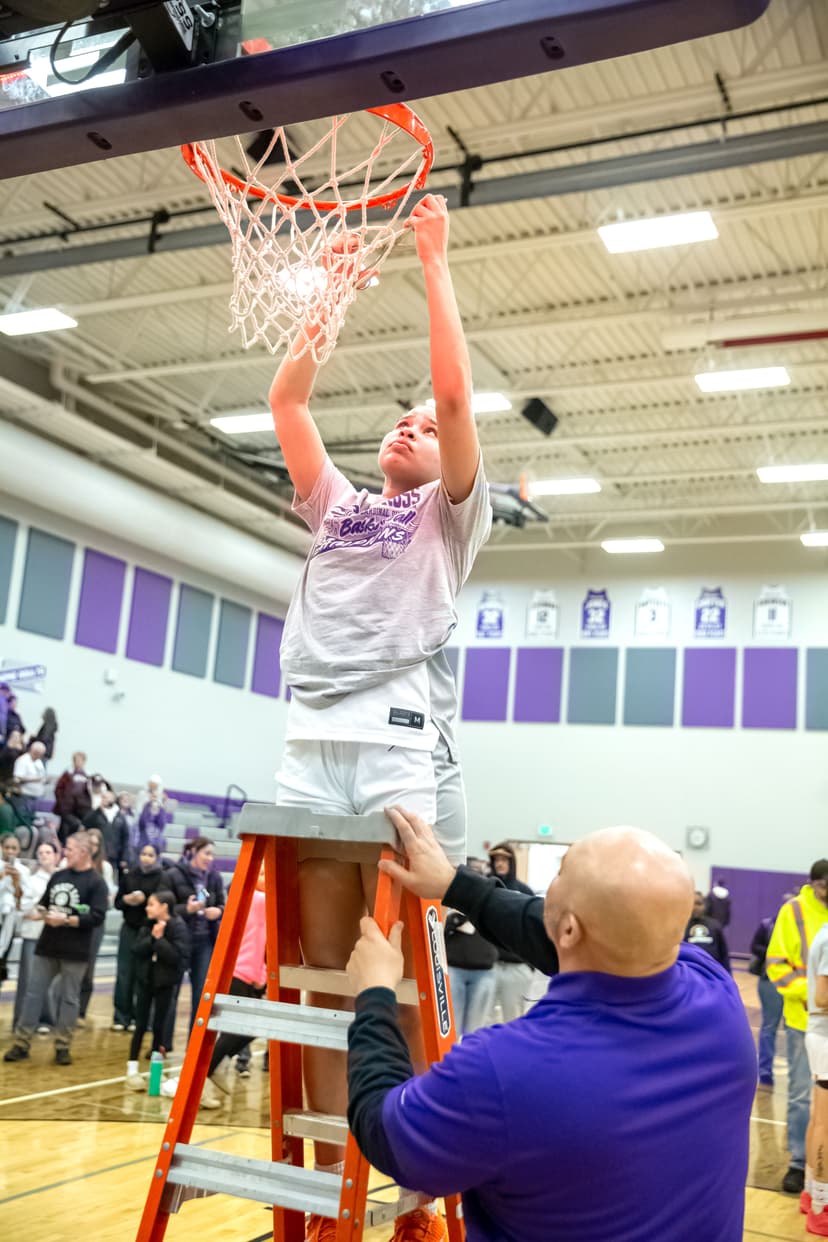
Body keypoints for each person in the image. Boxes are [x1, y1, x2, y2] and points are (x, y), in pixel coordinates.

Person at [270, 195, 491, 1239]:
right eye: (393, 422)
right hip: (311, 740)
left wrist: (432, 262)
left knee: (389, 967)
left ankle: (417, 1150)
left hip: (400, 743)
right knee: (316, 972)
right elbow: (288, 402)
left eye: (422, 425)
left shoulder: (448, 518)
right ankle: (324, 1150)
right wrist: (331, 293)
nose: (410, 425)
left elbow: (451, 394)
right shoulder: (340, 508)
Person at [344, 807, 757, 1242]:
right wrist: (456, 886)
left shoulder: (504, 1070)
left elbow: (385, 1133)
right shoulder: (719, 995)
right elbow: (571, 937)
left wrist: (374, 994)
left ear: (571, 930)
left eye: (560, 874)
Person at [3, 830, 108, 1065]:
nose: (65, 853)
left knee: (69, 999)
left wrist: (68, 920)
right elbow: (43, 904)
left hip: (76, 951)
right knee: (33, 994)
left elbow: (97, 917)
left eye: (69, 849)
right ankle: (22, 1043)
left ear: (83, 852)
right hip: (48, 946)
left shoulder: (96, 882)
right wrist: (40, 915)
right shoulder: (59, 876)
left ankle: (62, 1045)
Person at [767, 859, 828, 1196]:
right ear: (817, 884)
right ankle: (799, 1163)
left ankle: (822, 1167)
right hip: (804, 1021)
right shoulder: (795, 911)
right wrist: (808, 996)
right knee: (803, 1096)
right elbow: (776, 964)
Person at [199, 865, 267, 1109]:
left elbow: (264, 943)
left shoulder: (257, 902)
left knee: (253, 1027)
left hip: (251, 975)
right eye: (261, 874)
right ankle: (205, 1077)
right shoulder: (256, 899)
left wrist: (262, 976)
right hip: (238, 972)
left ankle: (218, 1066)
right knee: (234, 1030)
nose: (266, 879)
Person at [125, 889, 189, 1088]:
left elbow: (178, 958)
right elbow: (136, 949)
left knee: (160, 1028)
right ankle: (132, 1071)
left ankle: (155, 1075)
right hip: (145, 981)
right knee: (141, 1025)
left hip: (165, 983)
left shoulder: (178, 927)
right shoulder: (147, 923)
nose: (147, 908)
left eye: (151, 904)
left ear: (164, 907)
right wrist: (153, 939)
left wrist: (160, 941)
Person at [163, 836, 224, 1035]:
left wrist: (218, 911)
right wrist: (186, 909)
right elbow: (164, 909)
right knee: (171, 992)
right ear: (194, 852)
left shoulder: (215, 878)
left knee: (200, 995)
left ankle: (194, 1044)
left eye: (212, 854)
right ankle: (163, 1043)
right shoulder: (173, 875)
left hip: (204, 941)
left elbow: (223, 904)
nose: (210, 858)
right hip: (178, 940)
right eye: (207, 853)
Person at [113, 843, 164, 1031]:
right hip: (129, 927)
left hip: (148, 929)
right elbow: (118, 902)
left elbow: (163, 902)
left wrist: (146, 900)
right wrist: (126, 900)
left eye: (150, 854)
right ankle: (120, 1016)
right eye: (143, 853)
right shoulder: (129, 876)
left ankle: (139, 1017)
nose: (146, 858)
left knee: (142, 975)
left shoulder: (162, 877)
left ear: (157, 857)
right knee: (124, 973)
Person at [13, 839, 61, 1032]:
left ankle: (47, 1019)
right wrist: (43, 914)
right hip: (33, 935)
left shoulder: (61, 878)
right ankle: (24, 1020)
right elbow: (25, 909)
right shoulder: (31, 880)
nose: (43, 856)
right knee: (29, 979)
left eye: (48, 852)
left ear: (56, 855)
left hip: (56, 935)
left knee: (52, 980)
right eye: (40, 853)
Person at [486, 843, 535, 1020]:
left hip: (516, 967)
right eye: (496, 860)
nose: (500, 864)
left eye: (504, 860)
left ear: (511, 862)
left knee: (513, 1018)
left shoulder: (523, 892)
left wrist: (529, 965)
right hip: (487, 967)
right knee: (484, 1020)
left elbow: (533, 929)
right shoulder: (484, 890)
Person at [77, 826, 116, 1023]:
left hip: (95, 923)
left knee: (88, 966)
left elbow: (109, 897)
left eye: (95, 844)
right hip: (75, 921)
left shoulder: (105, 867)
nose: (92, 847)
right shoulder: (75, 864)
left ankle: (81, 1010)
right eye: (89, 843)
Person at [805, 921, 828, 1234]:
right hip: (825, 1038)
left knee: (818, 1119)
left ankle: (811, 1191)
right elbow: (823, 997)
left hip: (820, 1037)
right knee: (826, 1124)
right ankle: (822, 1207)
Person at [444, 903, 497, 1038]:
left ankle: (468, 1057)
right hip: (454, 968)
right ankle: (452, 1057)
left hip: (484, 971)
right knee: (451, 1026)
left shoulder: (493, 906)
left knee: (475, 1028)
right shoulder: (454, 907)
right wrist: (453, 921)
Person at [751, 912, 784, 1088]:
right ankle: (764, 1071)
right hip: (769, 979)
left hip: (798, 980)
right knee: (769, 1026)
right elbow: (754, 946)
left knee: (796, 1030)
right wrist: (774, 952)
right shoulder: (767, 924)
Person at [0, 832, 35, 984]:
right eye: (7, 847)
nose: (10, 851)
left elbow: (25, 899)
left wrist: (16, 882)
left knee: (3, 957)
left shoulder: (24, 871)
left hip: (10, 919)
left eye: (14, 848)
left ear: (19, 850)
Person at [83, 786, 130, 873]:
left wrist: (124, 857)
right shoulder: (96, 814)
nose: (103, 799)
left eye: (106, 797)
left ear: (113, 799)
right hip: (97, 854)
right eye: (102, 797)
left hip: (114, 856)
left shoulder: (120, 817)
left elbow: (125, 838)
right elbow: (85, 827)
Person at [683, 890, 731, 971]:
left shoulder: (715, 925)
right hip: (689, 973)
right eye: (692, 904)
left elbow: (724, 954)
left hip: (711, 972)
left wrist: (728, 975)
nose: (695, 907)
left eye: (699, 904)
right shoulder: (681, 926)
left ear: (704, 906)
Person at [52, 751, 94, 843]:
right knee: (65, 830)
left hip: (82, 809)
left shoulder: (88, 775)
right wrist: (62, 802)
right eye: (76, 760)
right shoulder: (67, 774)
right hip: (67, 808)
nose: (78, 762)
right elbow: (58, 789)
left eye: (80, 760)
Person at [11, 739, 48, 818]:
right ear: (34, 751)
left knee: (32, 817)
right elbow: (17, 778)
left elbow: (41, 775)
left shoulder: (38, 761)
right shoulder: (23, 760)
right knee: (23, 816)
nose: (41, 756)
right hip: (25, 796)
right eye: (40, 754)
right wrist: (34, 780)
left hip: (36, 796)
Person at [135, 777, 170, 856]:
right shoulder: (142, 794)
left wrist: (162, 803)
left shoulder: (160, 796)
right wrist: (148, 803)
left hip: (155, 833)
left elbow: (162, 822)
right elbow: (140, 814)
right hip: (143, 830)